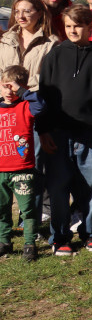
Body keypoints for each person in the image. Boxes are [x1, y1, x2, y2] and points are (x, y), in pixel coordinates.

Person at [37, 4, 92, 254]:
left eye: (78, 26)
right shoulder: (54, 55)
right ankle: (60, 236)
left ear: (89, 26)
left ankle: (89, 232)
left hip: (88, 134)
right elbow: (44, 95)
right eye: (69, 26)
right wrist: (43, 130)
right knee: (58, 187)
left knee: (89, 186)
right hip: (57, 134)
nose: (73, 30)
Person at [0, 66, 45, 261]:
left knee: (27, 210)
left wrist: (22, 92)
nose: (9, 92)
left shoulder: (26, 107)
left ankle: (29, 243)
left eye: (13, 87)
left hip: (22, 170)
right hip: (1, 170)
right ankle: (4, 241)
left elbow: (40, 106)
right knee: (2, 209)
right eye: (5, 86)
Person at [0, 0, 58, 90]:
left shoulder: (51, 43)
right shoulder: (5, 40)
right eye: (17, 12)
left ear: (39, 13)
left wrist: (22, 88)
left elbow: (52, 77)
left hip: (35, 97)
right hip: (5, 97)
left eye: (27, 11)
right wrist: (4, 89)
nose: (21, 16)